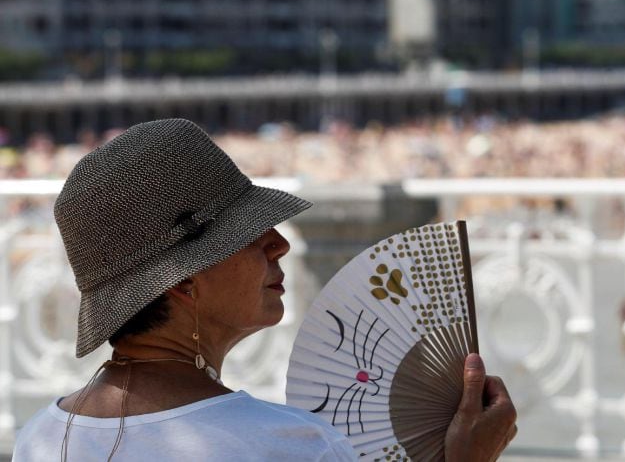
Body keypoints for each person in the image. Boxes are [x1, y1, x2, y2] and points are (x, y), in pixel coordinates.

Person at [13, 118, 516, 461]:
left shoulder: (41, 438)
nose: (278, 245)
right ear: (184, 279)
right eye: (249, 235)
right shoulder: (291, 445)